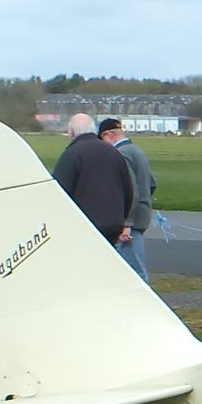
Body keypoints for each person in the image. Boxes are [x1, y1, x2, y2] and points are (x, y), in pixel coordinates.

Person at [51, 112, 134, 246]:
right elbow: (128, 190)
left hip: (84, 227)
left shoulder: (72, 154)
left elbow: (60, 193)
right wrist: (122, 219)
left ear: (72, 132)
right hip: (114, 224)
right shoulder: (114, 152)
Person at [98, 117, 156, 282]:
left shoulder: (120, 154)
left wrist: (127, 223)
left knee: (134, 271)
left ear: (108, 135)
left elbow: (131, 189)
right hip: (142, 216)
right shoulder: (137, 150)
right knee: (135, 265)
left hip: (129, 223)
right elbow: (152, 183)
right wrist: (144, 203)